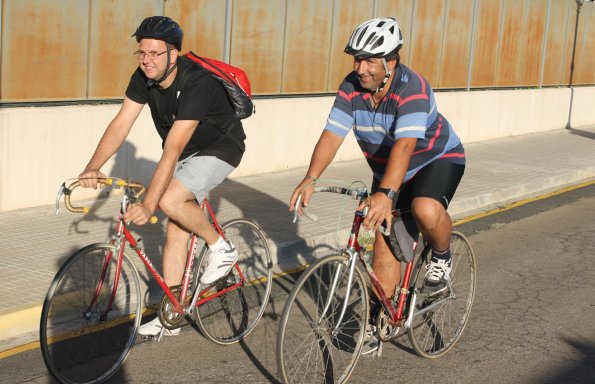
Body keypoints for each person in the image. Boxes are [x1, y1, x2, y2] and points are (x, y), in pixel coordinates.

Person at [289, 17, 465, 356]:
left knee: (424, 208)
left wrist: (385, 195)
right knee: (383, 247)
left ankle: (441, 258)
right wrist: (311, 178)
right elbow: (332, 134)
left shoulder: (411, 88)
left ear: (391, 62)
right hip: (388, 171)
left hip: (434, 161)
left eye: (369, 60)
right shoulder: (351, 87)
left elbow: (405, 146)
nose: (361, 68)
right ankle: (379, 320)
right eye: (357, 59)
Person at [79, 16, 246, 337]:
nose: (147, 61)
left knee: (170, 200)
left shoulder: (197, 82)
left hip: (221, 147)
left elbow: (172, 148)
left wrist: (149, 203)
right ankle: (172, 315)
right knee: (175, 232)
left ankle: (222, 248)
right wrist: (93, 166)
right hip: (188, 152)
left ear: (173, 54)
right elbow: (121, 123)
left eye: (155, 54)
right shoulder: (145, 77)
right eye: (142, 53)